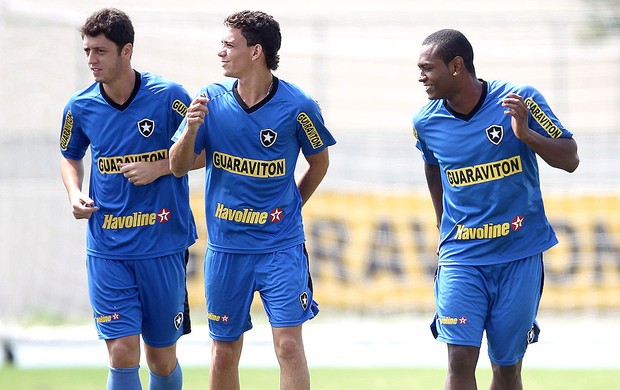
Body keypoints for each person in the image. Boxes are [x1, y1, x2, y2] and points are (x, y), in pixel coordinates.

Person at [169, 10, 336, 390]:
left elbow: (319, 161)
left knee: (289, 345)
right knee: (224, 350)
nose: (221, 52)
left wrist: (292, 205)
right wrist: (192, 128)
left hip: (281, 247)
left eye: (229, 44)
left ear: (256, 51)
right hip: (227, 248)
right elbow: (177, 167)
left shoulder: (299, 106)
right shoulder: (209, 100)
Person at [412, 29, 579, 390]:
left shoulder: (520, 100)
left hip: (518, 255)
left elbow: (571, 159)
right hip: (462, 258)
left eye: (427, 68)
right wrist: (444, 225)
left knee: (506, 368)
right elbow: (431, 167)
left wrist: (527, 136)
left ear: (456, 66)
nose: (420, 76)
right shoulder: (425, 122)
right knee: (458, 361)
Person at [59, 8, 203, 389]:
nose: (91, 60)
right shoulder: (80, 106)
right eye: (87, 50)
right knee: (122, 351)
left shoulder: (169, 97)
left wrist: (160, 166)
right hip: (108, 246)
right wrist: (75, 193)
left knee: (161, 357)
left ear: (127, 51)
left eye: (100, 51)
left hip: (162, 244)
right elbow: (70, 155)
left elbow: (204, 152)